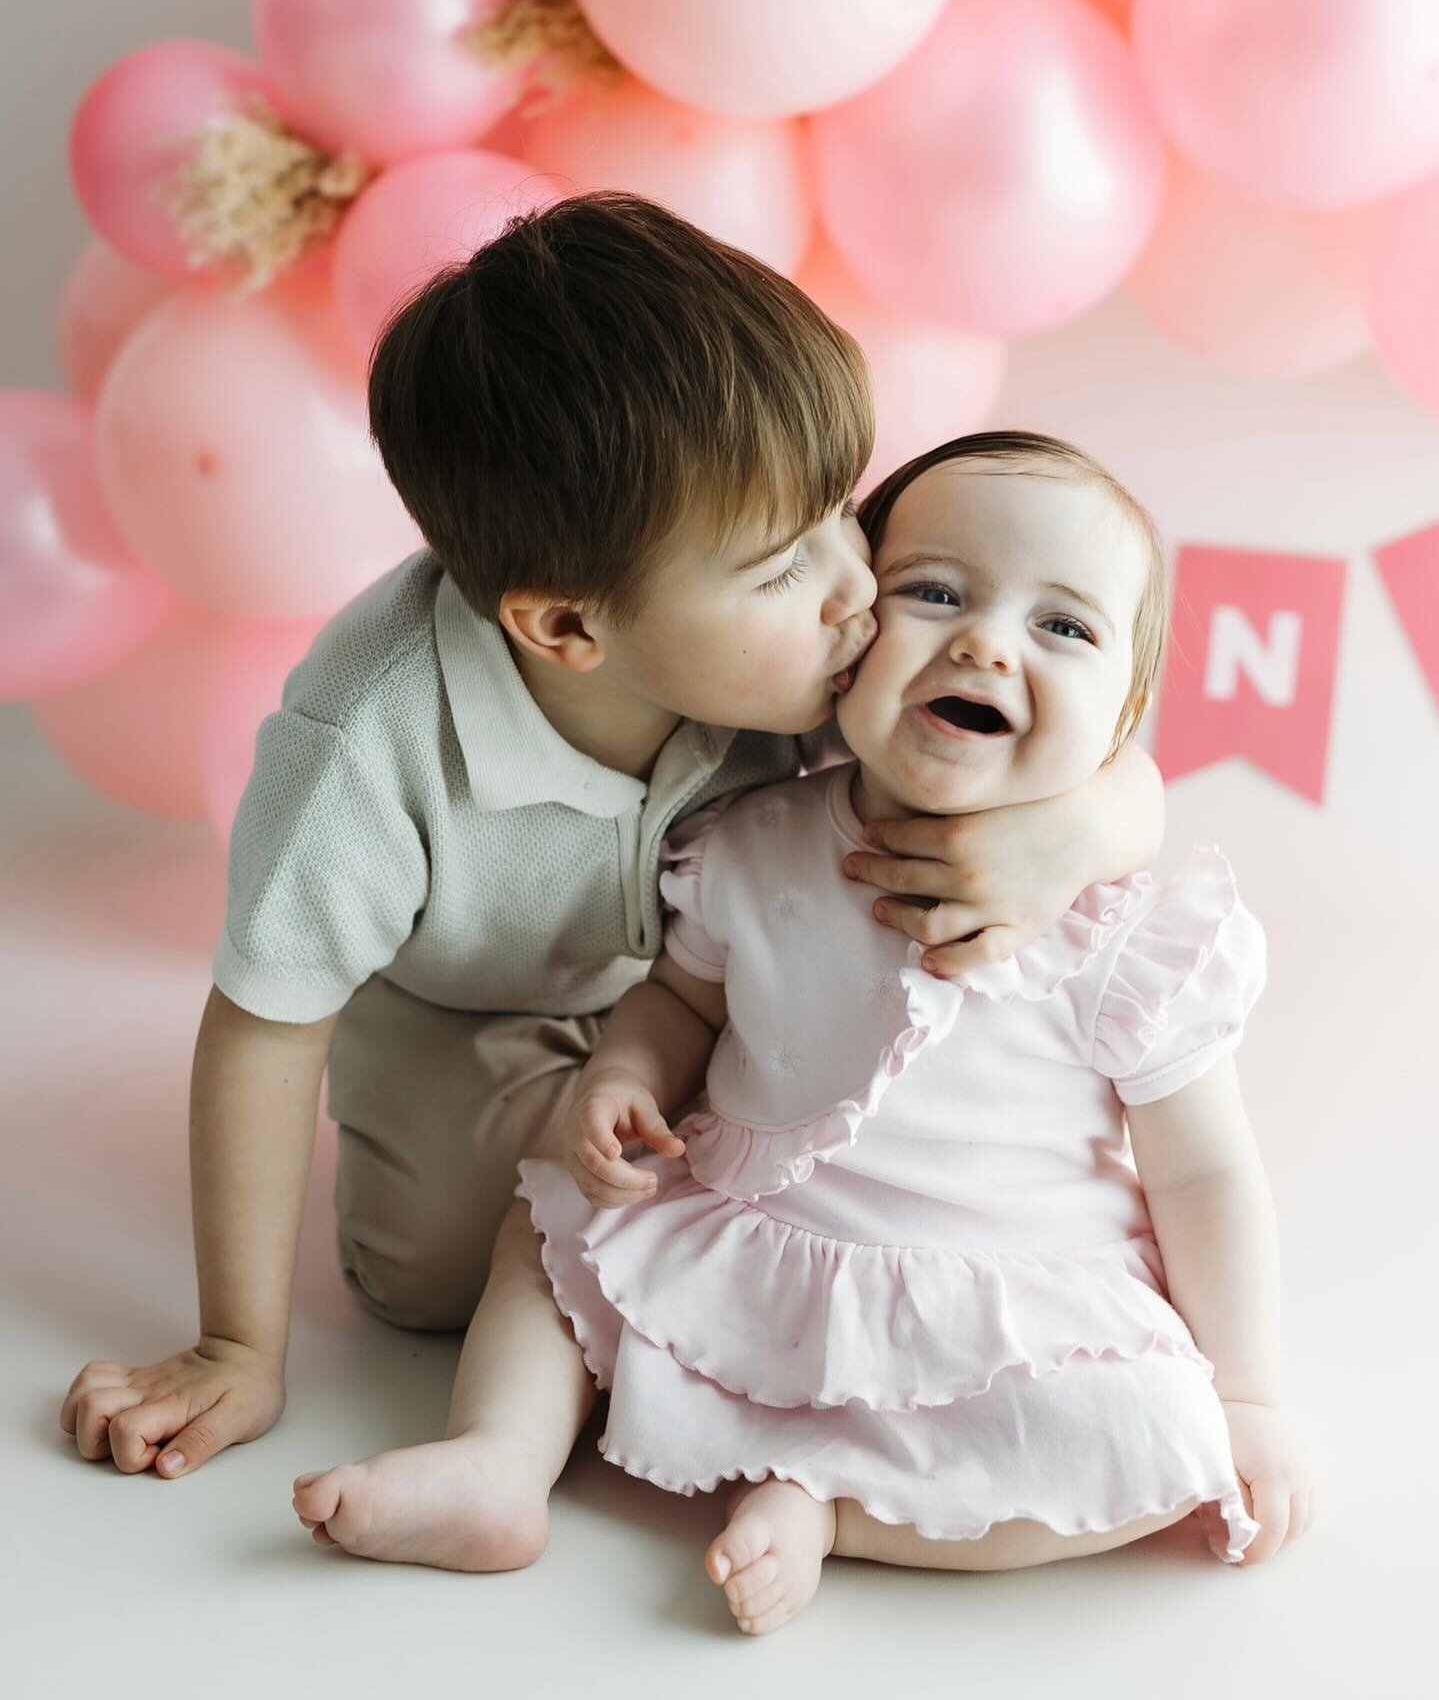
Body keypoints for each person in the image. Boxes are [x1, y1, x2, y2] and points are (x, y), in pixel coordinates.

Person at [59, 203, 1165, 1485]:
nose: (855, 587)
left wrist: (1080, 827)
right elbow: (264, 1023)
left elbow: (1069, 740)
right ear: (566, 631)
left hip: (717, 983)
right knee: (436, 1273)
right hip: (467, 1005)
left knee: (860, 1181)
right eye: (775, 568)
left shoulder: (821, 642)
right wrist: (234, 1344)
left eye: (839, 513)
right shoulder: (368, 738)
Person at [291, 431, 1311, 1631]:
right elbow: (683, 996)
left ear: (1124, 715)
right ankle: (497, 1461)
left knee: (1153, 1448)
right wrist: (623, 1069)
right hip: (753, 1232)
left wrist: (1245, 1395)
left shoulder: (1121, 928)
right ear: (848, 640)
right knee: (553, 1233)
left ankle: (832, 1508)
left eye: (1064, 628)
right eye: (932, 591)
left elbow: (1200, 1167)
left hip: (997, 1292)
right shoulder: (754, 834)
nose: (984, 642)